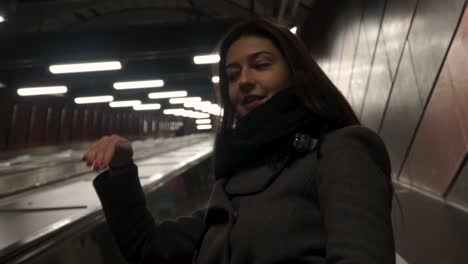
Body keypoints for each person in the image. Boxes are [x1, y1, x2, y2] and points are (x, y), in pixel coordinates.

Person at [82, 17, 395, 264]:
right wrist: (122, 171)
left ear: (295, 72)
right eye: (232, 75)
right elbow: (148, 247)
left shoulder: (341, 149)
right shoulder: (235, 178)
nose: (244, 81)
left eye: (261, 65)